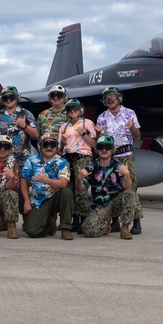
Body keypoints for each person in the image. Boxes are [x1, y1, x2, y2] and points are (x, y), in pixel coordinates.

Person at [95, 86, 143, 234]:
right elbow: (100, 141)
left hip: (126, 155)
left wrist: (133, 128)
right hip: (111, 157)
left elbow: (137, 136)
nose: (109, 100)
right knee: (111, 188)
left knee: (131, 187)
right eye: (107, 98)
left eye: (112, 97)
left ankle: (135, 222)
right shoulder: (102, 117)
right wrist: (97, 134)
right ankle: (115, 221)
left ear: (118, 98)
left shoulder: (129, 113)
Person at [76, 135, 137, 239]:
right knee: (88, 231)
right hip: (100, 206)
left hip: (115, 203)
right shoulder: (91, 166)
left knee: (130, 193)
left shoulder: (118, 166)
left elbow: (127, 187)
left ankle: (125, 228)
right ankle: (106, 223)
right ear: (97, 150)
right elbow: (80, 188)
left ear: (112, 149)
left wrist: (127, 175)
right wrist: (79, 179)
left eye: (107, 147)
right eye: (101, 147)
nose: (104, 150)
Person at [20, 131, 75, 240]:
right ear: (40, 146)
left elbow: (63, 183)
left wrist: (46, 180)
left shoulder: (62, 162)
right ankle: (49, 224)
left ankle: (66, 229)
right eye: (45, 144)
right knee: (32, 232)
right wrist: (26, 201)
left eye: (52, 144)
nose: (49, 147)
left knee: (66, 192)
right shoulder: (31, 160)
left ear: (57, 147)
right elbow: (23, 180)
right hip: (38, 200)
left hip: (55, 198)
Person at [59, 99, 96, 234]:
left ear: (81, 110)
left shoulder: (87, 123)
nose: (72, 111)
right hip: (68, 158)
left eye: (75, 108)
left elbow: (93, 144)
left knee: (81, 189)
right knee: (70, 189)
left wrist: (84, 133)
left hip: (82, 157)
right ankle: (73, 219)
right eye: (69, 109)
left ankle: (84, 219)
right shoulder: (64, 126)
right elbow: (61, 147)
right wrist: (62, 142)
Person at [0, 86, 38, 164]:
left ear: (17, 98)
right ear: (2, 100)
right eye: (5, 98)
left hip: (22, 162)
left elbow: (36, 135)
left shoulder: (26, 114)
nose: (9, 100)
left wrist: (25, 126)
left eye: (11, 97)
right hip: (2, 162)